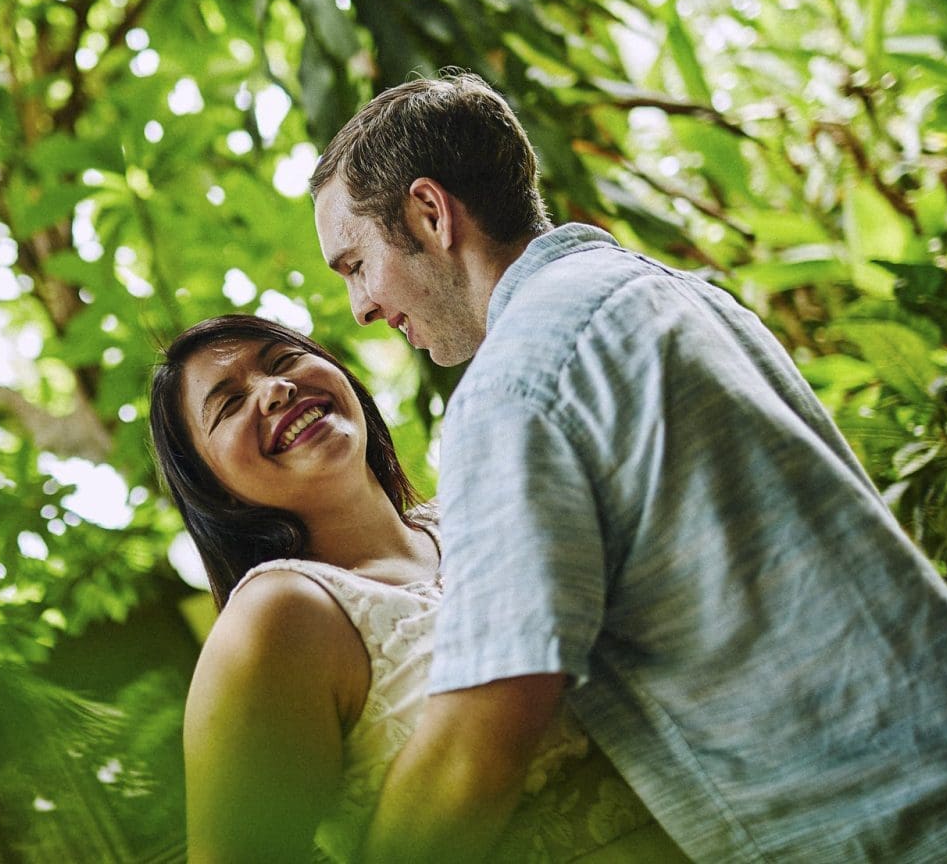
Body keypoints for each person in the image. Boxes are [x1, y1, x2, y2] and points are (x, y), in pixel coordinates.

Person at [309, 70, 947, 862]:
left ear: (429, 213)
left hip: (896, 836)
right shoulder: (682, 296)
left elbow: (483, 734)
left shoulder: (512, 388)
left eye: (354, 265)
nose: (362, 308)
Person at [149, 314, 687, 863]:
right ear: (216, 490)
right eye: (229, 405)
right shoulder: (278, 613)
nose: (275, 389)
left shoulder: (482, 509)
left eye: (283, 361)